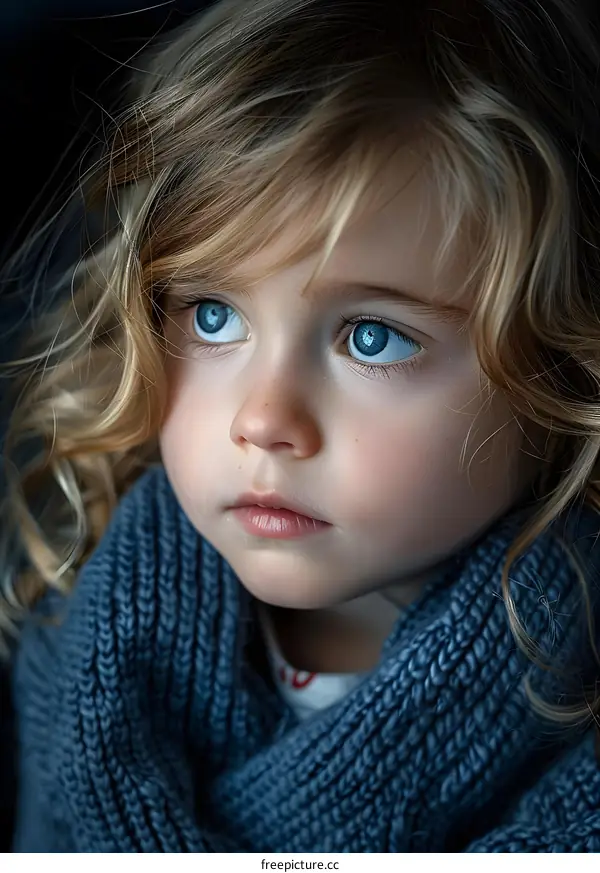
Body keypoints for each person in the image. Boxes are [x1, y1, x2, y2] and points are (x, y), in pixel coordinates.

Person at [3, 0, 600, 852]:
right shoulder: (77, 645)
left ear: (558, 369)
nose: (263, 419)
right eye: (212, 316)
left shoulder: (574, 729)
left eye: (372, 337)